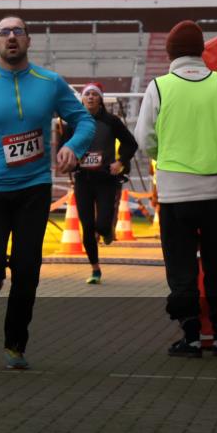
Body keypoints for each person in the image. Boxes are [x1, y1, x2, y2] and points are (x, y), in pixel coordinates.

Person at [0, 16, 94, 369]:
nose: (12, 38)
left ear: (29, 40)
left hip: (34, 190)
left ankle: (15, 344)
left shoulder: (50, 82)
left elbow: (85, 120)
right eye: (4, 33)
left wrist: (75, 147)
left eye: (18, 32)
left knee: (28, 270)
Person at [134, 20, 217, 358]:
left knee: (181, 265)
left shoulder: (159, 86)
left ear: (170, 52)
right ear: (201, 50)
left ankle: (189, 335)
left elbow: (145, 140)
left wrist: (167, 154)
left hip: (177, 193)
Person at [59, 82, 138, 284]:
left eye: (95, 94)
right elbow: (62, 149)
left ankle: (106, 231)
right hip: (83, 180)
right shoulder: (73, 124)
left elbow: (131, 144)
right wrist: (70, 160)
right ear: (82, 99)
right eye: (88, 95)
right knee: (87, 226)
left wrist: (120, 162)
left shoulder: (111, 121)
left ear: (100, 98)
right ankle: (95, 269)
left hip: (105, 180)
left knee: (101, 224)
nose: (91, 98)